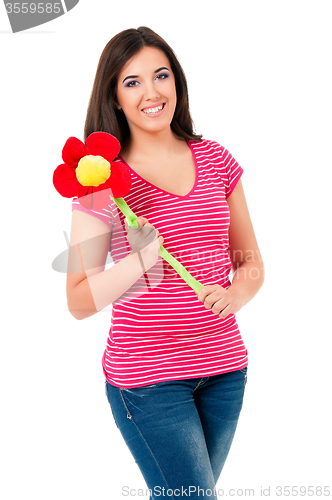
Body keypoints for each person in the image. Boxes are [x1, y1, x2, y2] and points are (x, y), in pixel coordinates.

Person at [66, 27, 264, 499]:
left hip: (224, 371)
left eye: (161, 76)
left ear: (177, 82)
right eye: (131, 82)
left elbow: (251, 261)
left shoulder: (217, 160)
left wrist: (237, 292)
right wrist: (138, 262)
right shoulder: (101, 181)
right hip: (147, 381)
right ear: (113, 97)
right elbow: (77, 299)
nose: (151, 93)